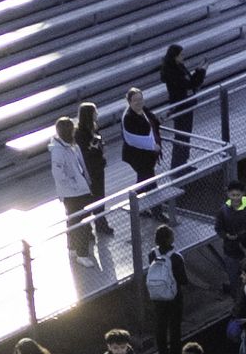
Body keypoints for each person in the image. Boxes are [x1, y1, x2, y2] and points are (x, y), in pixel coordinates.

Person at [48, 116, 95, 266]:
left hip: (79, 189)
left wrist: (85, 179)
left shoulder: (73, 146)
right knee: (81, 221)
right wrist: (75, 184)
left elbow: (81, 165)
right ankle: (81, 253)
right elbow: (58, 174)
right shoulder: (58, 151)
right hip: (73, 192)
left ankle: (73, 248)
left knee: (73, 219)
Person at [158, 44, 205, 170]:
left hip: (186, 104)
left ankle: (182, 163)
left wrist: (198, 72)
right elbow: (188, 84)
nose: (183, 57)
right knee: (181, 136)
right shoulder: (172, 72)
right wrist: (200, 72)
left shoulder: (179, 67)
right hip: (180, 106)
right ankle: (178, 165)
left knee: (185, 136)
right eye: (181, 55)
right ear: (175, 57)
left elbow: (191, 83)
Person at [144, 224, 188, 354]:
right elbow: (183, 280)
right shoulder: (176, 257)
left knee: (160, 326)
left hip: (157, 295)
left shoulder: (152, 254)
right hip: (174, 297)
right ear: (170, 239)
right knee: (175, 327)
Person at [73, 100, 114, 235]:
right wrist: (93, 147)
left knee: (100, 197)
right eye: (94, 112)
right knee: (90, 198)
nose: (97, 114)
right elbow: (83, 153)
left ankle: (100, 224)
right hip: (89, 170)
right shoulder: (80, 133)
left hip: (98, 166)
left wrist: (101, 146)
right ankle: (88, 229)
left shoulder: (93, 128)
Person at [213, 178, 246, 291]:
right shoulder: (223, 211)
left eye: (238, 195)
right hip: (231, 252)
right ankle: (237, 301)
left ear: (243, 194)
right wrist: (226, 236)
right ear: (228, 194)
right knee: (234, 279)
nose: (235, 198)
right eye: (233, 195)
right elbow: (218, 228)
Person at [119, 86, 163, 194]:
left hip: (147, 155)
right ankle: (155, 208)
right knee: (149, 183)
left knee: (143, 181)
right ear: (129, 102)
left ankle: (137, 204)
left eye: (140, 99)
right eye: (135, 100)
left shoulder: (144, 110)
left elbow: (153, 120)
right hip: (138, 156)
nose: (139, 102)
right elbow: (135, 139)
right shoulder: (129, 118)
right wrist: (152, 146)